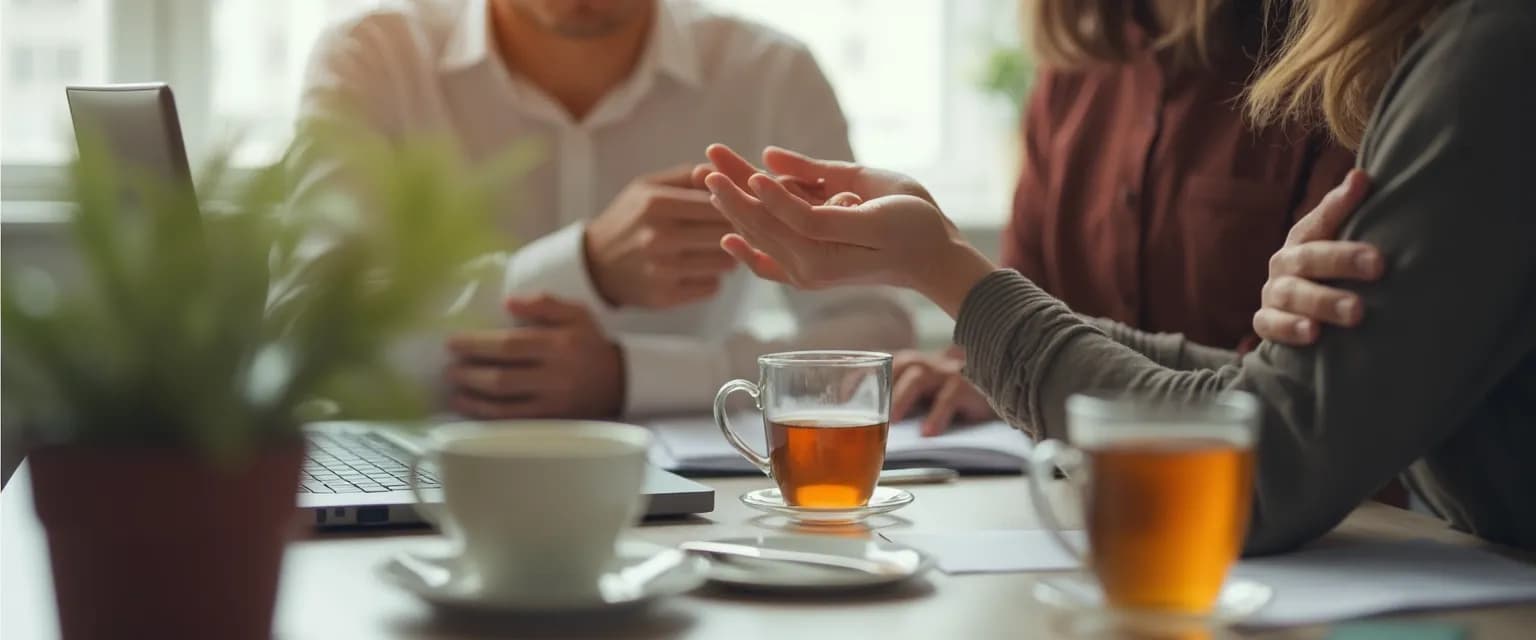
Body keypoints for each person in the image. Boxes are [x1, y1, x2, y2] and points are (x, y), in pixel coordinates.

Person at [700, 0, 1536, 553]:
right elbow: (1273, 389)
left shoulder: (1456, 59)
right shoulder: (1450, 48)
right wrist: (958, 278)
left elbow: (1260, 449)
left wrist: (950, 275)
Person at [290, 0, 913, 419]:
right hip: (422, 495)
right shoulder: (375, 58)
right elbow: (310, 340)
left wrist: (633, 375)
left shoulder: (772, 75)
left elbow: (876, 334)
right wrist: (585, 268)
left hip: (701, 522)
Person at [875, 0, 1369, 437]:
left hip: (1297, 522)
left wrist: (951, 279)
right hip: (1088, 508)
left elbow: (1292, 393)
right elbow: (1028, 296)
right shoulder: (1070, 74)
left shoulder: (1334, 66)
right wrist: (977, 372)